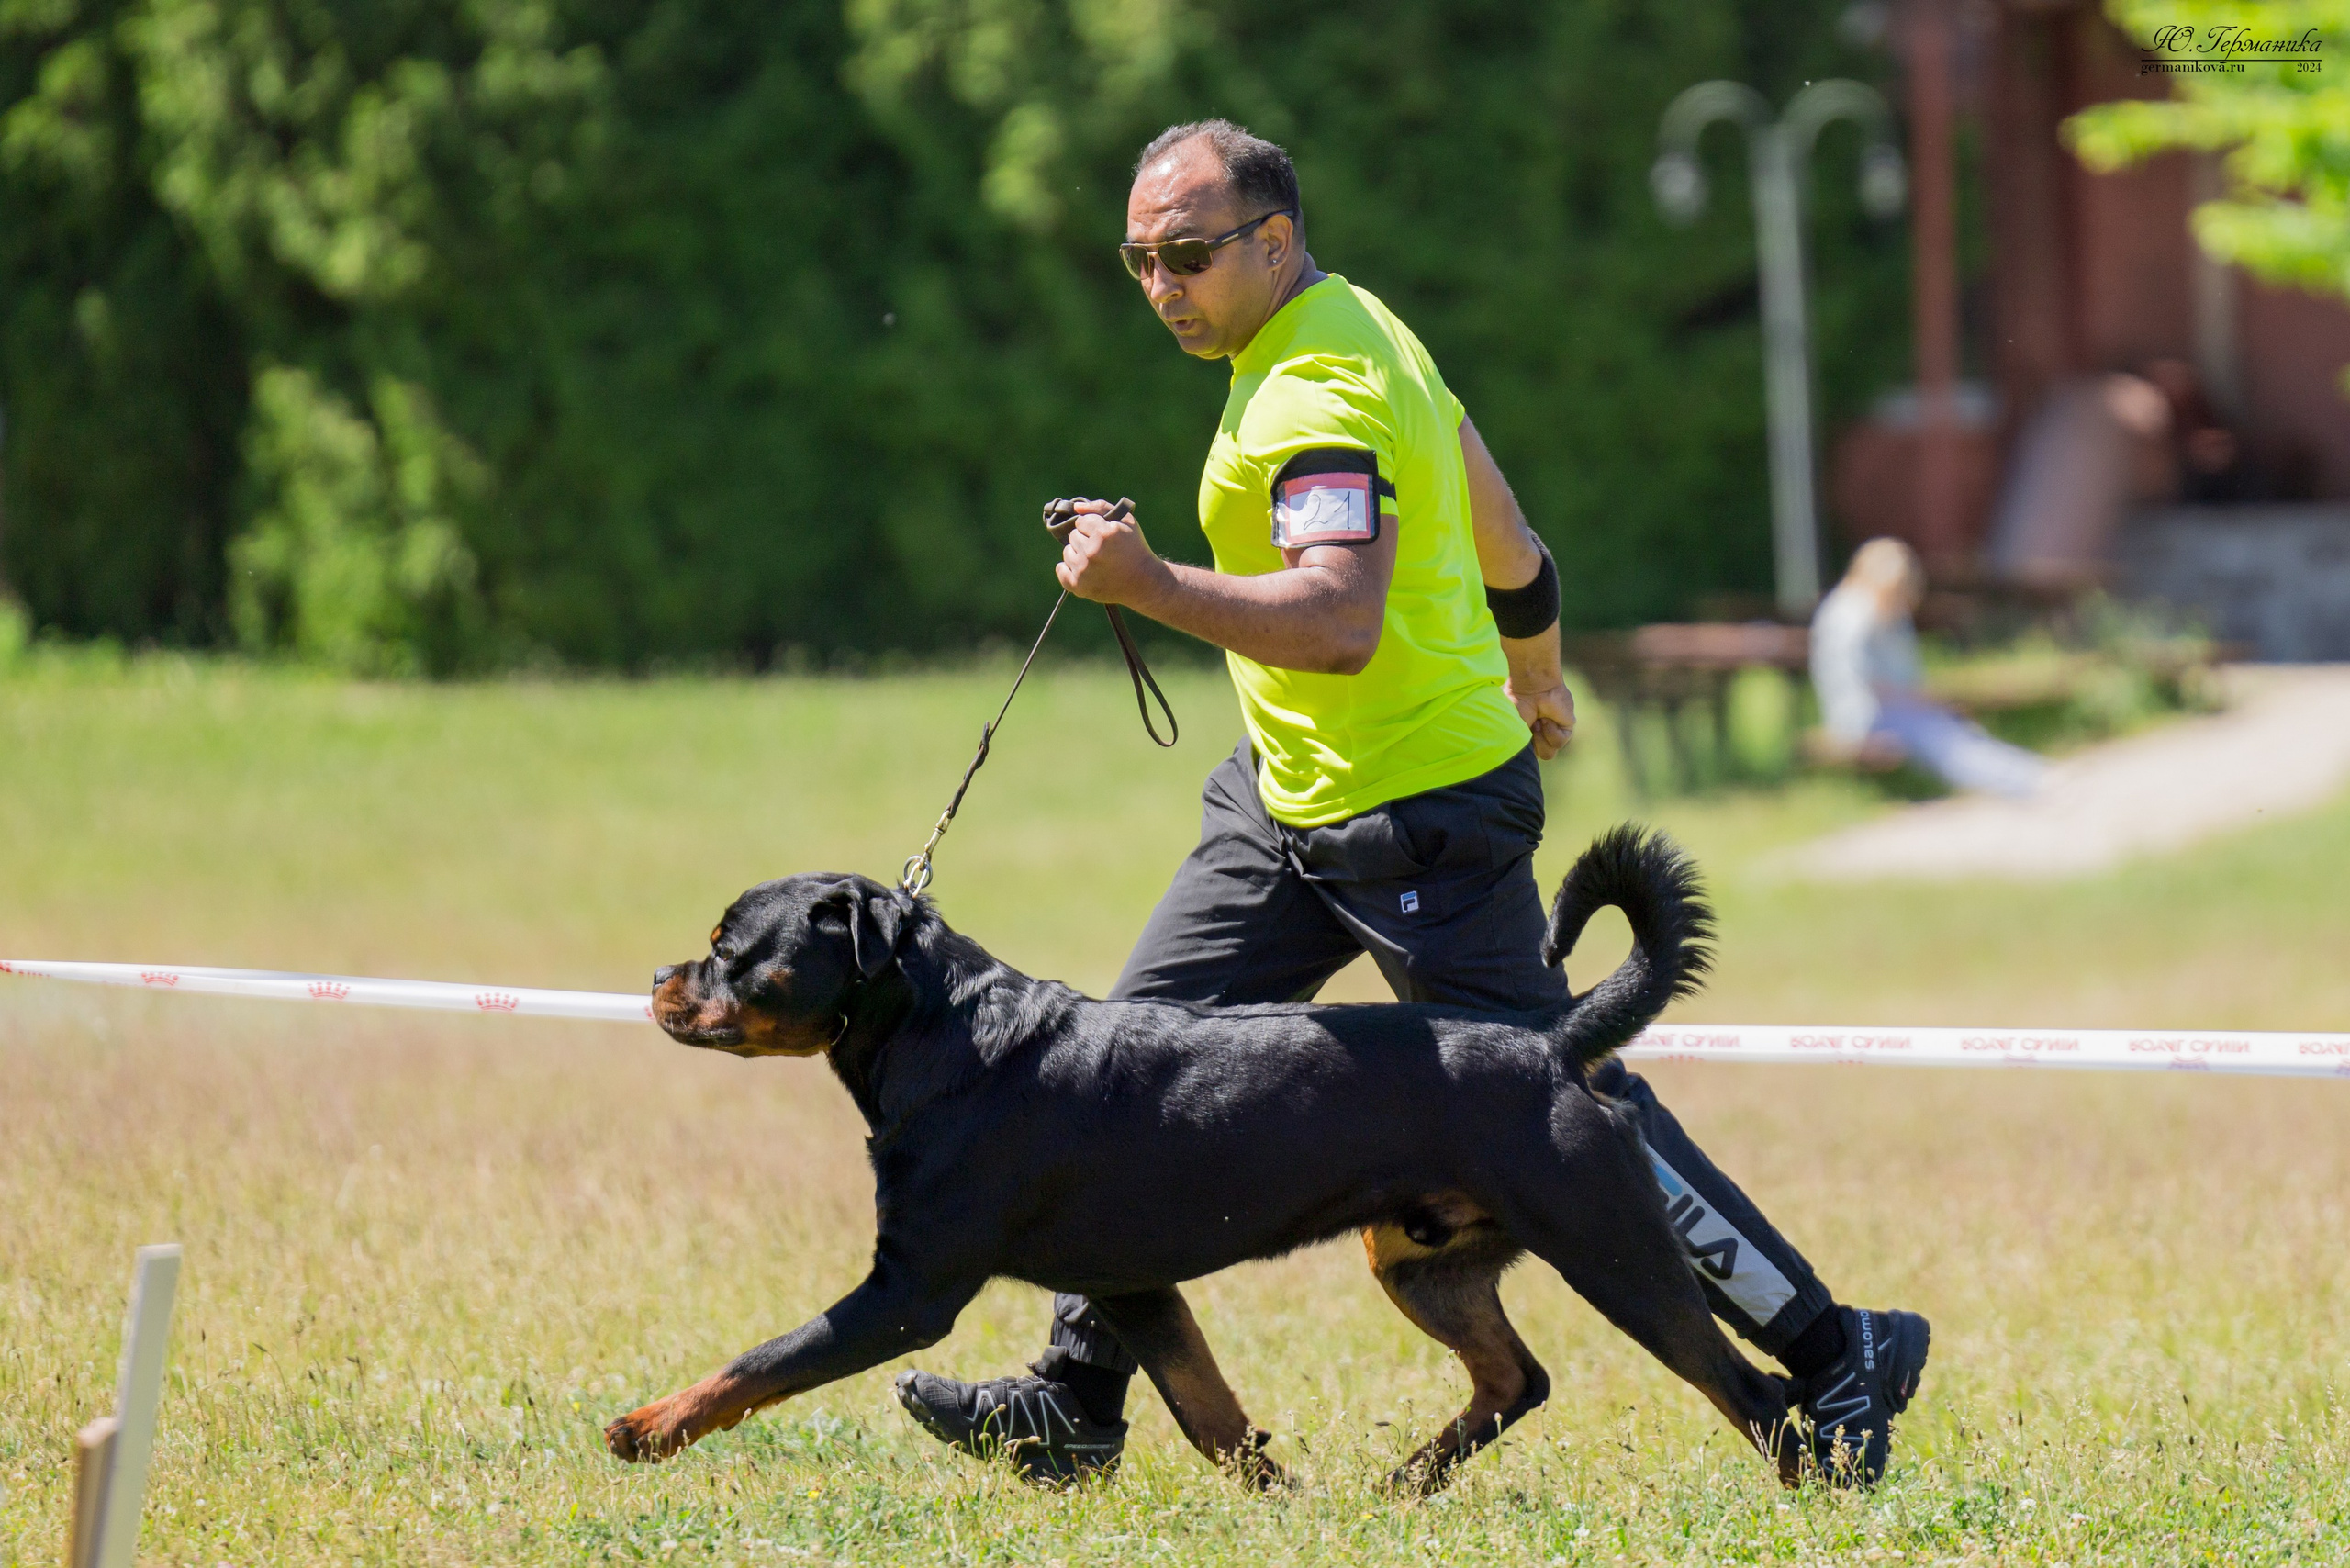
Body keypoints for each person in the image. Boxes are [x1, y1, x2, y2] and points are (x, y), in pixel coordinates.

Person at [894, 119, 1929, 1486]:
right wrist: (1541, 674)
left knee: (1557, 1110)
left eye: (1190, 255)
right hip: (1283, 807)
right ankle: (1076, 1395)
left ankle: (1832, 1345)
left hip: (1418, 821)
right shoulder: (1350, 327)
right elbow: (1514, 547)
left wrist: (1145, 585)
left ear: (1274, 238)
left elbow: (1335, 622)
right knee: (1122, 1070)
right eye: (1140, 259)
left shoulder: (1320, 383)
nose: (1162, 286)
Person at [1811, 538, 2045, 798]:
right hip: (1869, 718)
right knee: (1944, 739)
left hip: (1893, 709)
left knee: (1951, 730)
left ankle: (2026, 775)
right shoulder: (1854, 615)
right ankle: (2027, 779)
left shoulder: (1876, 611)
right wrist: (1925, 700)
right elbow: (1865, 685)